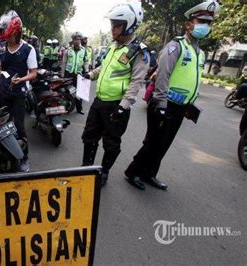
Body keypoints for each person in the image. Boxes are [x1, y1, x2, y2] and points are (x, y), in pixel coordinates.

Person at [124, 0, 221, 190]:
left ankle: (149, 174)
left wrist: (189, 104)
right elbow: (162, 75)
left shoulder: (199, 53)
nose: (205, 26)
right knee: (153, 142)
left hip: (181, 107)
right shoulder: (176, 46)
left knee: (164, 143)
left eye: (208, 23)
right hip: (164, 103)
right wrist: (160, 104)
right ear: (189, 24)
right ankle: (133, 172)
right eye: (201, 21)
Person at [81, 2, 149, 186]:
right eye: (112, 24)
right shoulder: (113, 46)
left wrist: (123, 106)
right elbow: (105, 68)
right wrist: (90, 74)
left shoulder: (138, 51)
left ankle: (104, 172)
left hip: (116, 106)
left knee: (111, 144)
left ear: (130, 25)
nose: (112, 28)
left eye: (117, 25)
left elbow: (136, 81)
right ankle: (86, 168)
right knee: (89, 136)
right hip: (99, 101)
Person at [0, 10, 38, 172]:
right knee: (3, 125)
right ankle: (6, 154)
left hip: (18, 94)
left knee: (18, 125)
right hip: (3, 92)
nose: (6, 40)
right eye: (5, 37)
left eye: (9, 36)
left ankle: (24, 157)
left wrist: (22, 79)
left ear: (17, 33)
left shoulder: (28, 49)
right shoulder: (0, 48)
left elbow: (33, 73)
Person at [61, 31, 88, 115]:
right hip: (68, 74)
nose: (77, 41)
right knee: (67, 91)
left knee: (80, 92)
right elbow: (64, 62)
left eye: (79, 39)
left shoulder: (84, 51)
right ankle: (66, 107)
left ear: (80, 40)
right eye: (75, 39)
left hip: (79, 74)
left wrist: (86, 71)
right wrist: (62, 74)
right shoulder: (67, 51)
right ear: (72, 40)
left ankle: (79, 109)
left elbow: (86, 61)